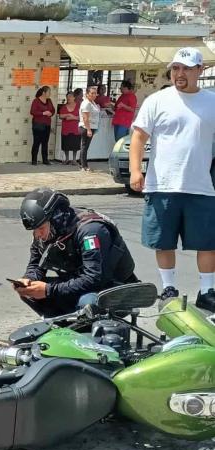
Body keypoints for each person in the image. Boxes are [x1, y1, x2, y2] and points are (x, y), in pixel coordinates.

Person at [129, 47, 215, 312]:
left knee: (208, 243)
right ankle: (169, 288)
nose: (180, 74)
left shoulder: (211, 102)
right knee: (164, 242)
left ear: (200, 71)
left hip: (201, 186)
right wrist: (135, 170)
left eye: (187, 68)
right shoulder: (158, 100)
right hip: (162, 184)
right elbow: (139, 137)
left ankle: (207, 291)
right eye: (176, 68)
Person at [13, 188, 137, 318]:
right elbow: (36, 266)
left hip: (114, 287)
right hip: (81, 283)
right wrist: (28, 280)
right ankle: (61, 327)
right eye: (34, 230)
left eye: (41, 228)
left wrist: (49, 290)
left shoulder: (90, 231)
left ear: (56, 219)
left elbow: (93, 277)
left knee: (87, 303)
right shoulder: (47, 233)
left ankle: (93, 333)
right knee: (30, 292)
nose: (38, 234)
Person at [30, 86, 55, 165]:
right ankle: (34, 160)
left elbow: (53, 110)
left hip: (47, 124)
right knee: (36, 142)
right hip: (38, 125)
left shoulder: (49, 100)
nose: (50, 93)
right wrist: (43, 113)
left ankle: (45, 160)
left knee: (45, 143)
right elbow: (32, 112)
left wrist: (51, 113)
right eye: (49, 92)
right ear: (44, 93)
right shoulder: (36, 101)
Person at [79, 85, 101, 172]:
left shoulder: (93, 102)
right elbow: (85, 118)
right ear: (87, 94)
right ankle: (83, 165)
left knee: (86, 146)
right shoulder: (86, 103)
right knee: (84, 146)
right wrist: (88, 129)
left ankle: (83, 164)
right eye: (92, 93)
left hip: (92, 127)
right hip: (86, 127)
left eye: (95, 93)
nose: (94, 95)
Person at [58, 91, 80, 165]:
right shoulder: (64, 107)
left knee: (75, 145)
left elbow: (82, 117)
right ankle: (67, 159)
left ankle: (74, 160)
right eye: (67, 96)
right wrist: (67, 114)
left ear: (74, 97)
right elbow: (60, 116)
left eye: (70, 96)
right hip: (66, 128)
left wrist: (73, 117)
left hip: (75, 129)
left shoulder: (78, 106)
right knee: (66, 145)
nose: (69, 98)